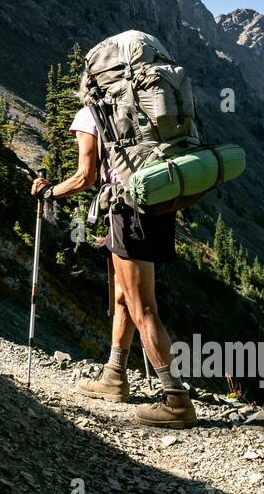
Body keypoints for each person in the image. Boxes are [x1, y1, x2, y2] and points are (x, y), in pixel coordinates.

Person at [30, 103, 197, 428]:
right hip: (158, 203)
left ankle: (176, 399)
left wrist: (50, 192)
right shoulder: (144, 107)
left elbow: (85, 176)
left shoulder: (90, 113)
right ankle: (114, 375)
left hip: (127, 210)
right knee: (123, 296)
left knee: (143, 307)